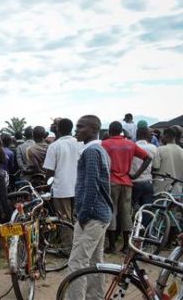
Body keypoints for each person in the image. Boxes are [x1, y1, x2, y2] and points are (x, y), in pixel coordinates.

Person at [66, 115, 113, 299]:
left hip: (93, 216)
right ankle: (96, 297)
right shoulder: (98, 149)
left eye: (80, 127)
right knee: (95, 262)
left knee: (77, 263)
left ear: (93, 129)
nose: (76, 130)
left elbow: (91, 186)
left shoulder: (92, 151)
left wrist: (83, 215)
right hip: (100, 215)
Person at [102, 121, 151, 254]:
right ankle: (125, 246)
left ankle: (111, 246)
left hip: (112, 182)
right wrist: (135, 175)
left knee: (112, 211)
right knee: (126, 213)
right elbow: (147, 158)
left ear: (110, 131)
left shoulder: (105, 144)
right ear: (121, 131)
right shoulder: (130, 144)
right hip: (127, 182)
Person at [42, 118, 80, 224]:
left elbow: (50, 171)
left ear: (58, 129)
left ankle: (67, 241)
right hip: (79, 188)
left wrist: (45, 186)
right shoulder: (80, 143)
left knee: (65, 221)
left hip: (62, 189)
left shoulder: (54, 146)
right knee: (77, 219)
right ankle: (77, 240)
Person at [130, 127, 157, 224]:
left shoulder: (131, 147)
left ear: (137, 135)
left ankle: (131, 231)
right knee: (147, 210)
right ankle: (144, 233)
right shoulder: (153, 148)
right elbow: (156, 166)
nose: (151, 136)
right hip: (147, 182)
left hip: (133, 183)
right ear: (146, 135)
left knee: (130, 208)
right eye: (150, 134)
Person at [153, 127, 183, 194]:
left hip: (161, 189)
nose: (161, 138)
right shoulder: (182, 151)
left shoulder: (160, 149)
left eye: (162, 136)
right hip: (177, 190)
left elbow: (155, 167)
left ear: (166, 136)